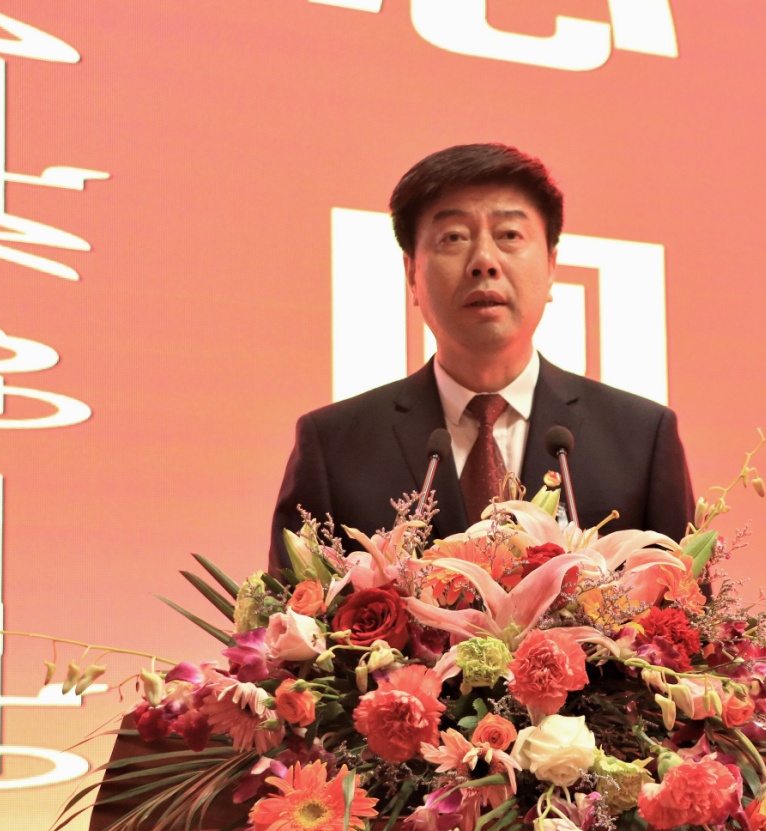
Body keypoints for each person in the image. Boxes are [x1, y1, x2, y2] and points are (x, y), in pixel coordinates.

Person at [269, 143, 693, 573]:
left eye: (509, 235)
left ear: (551, 266)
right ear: (411, 274)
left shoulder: (640, 439)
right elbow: (289, 607)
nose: (484, 261)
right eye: (453, 237)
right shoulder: (335, 446)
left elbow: (688, 609)